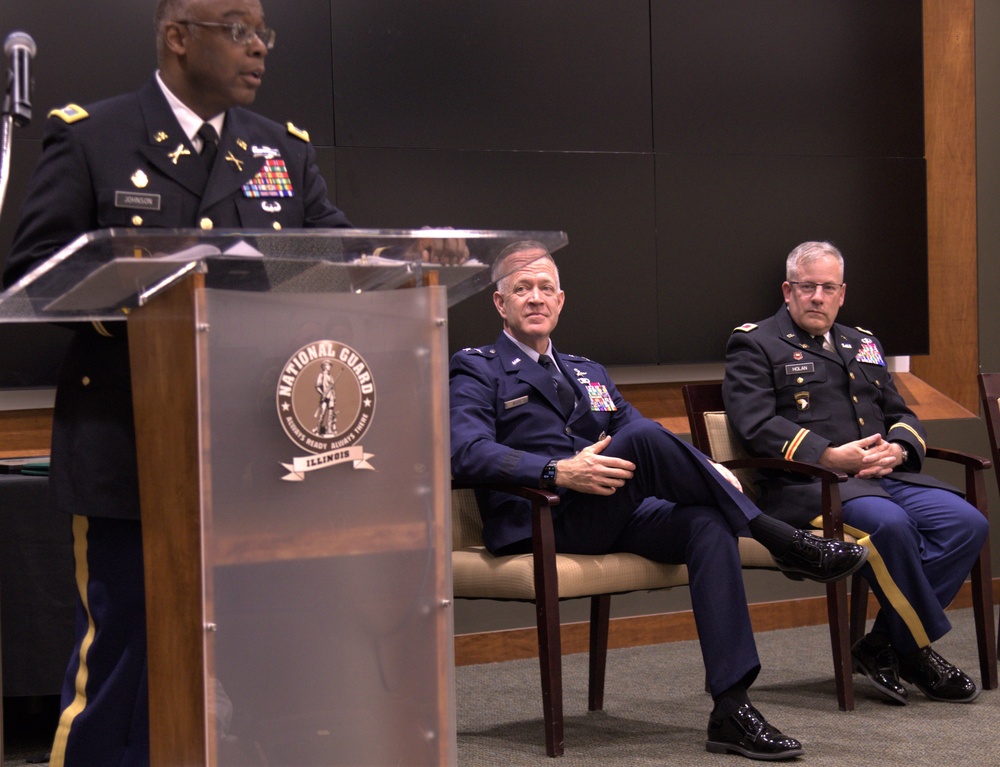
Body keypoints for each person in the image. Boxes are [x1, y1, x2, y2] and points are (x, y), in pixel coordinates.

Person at [1, 2, 355, 765]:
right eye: (238, 29)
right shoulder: (93, 136)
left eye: (264, 32)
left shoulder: (278, 150)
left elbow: (339, 262)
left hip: (259, 447)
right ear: (177, 35)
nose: (258, 47)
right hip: (130, 439)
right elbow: (32, 274)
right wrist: (155, 315)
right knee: (129, 648)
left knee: (268, 647)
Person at [449, 241, 869, 761]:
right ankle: (781, 539)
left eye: (545, 288)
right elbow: (465, 453)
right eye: (522, 289)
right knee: (646, 442)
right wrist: (559, 470)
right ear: (500, 303)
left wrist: (707, 466)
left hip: (612, 512)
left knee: (707, 522)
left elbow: (635, 426)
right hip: (544, 515)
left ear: (561, 301)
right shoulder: (478, 368)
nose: (535, 298)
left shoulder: (587, 371)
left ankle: (731, 708)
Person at [723, 240, 989, 707]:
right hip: (809, 487)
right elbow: (756, 425)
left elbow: (899, 412)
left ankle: (885, 643)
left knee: (966, 522)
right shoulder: (754, 342)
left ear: (841, 294)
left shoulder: (862, 342)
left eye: (828, 288)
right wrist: (829, 456)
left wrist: (899, 449)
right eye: (808, 287)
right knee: (890, 526)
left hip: (882, 478)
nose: (818, 297)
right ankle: (917, 652)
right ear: (788, 290)